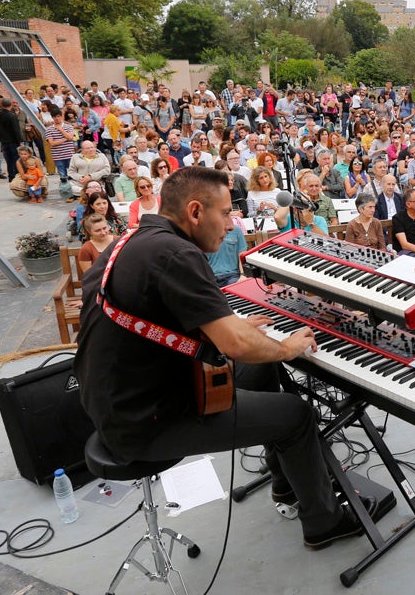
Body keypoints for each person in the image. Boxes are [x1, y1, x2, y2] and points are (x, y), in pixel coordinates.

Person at [76, 167, 369, 549]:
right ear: (195, 211)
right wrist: (286, 347)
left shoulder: (128, 242)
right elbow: (233, 345)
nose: (232, 225)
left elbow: (155, 317)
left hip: (113, 401)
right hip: (147, 420)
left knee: (263, 369)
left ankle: (286, 485)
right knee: (296, 414)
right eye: (226, 213)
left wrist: (234, 329)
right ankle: (325, 524)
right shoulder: (177, 253)